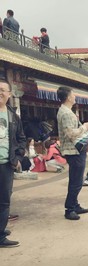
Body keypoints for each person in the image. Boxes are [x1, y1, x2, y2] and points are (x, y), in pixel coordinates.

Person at [56, 86, 88, 221]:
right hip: (74, 150)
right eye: (73, 94)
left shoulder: (66, 111)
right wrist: (85, 127)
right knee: (76, 180)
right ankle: (70, 208)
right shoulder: (66, 113)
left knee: (77, 178)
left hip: (75, 150)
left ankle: (75, 204)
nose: (75, 96)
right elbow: (71, 133)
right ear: (68, 97)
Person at [0, 79, 26, 247]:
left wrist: (17, 158)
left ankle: (0, 236)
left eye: (3, 90)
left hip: (5, 164)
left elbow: (22, 139)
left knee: (3, 200)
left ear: (9, 94)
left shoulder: (13, 116)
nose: (0, 93)